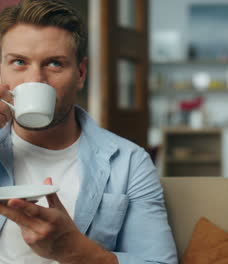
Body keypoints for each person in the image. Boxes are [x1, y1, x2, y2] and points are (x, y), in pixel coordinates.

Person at [0, 0, 178, 263]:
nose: (35, 80)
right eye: (18, 62)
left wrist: (77, 252)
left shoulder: (129, 162)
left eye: (54, 64)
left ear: (80, 74)